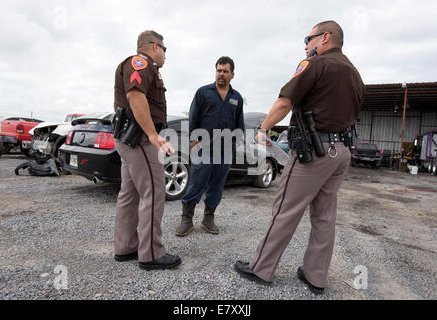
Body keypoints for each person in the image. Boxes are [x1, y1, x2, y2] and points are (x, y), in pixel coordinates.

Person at [234, 21, 365, 294]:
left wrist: (262, 128)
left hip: (314, 153)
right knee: (325, 216)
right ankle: (315, 277)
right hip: (341, 153)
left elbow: (285, 101)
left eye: (309, 39)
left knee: (285, 210)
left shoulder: (315, 65)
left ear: (325, 38)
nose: (306, 45)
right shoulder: (355, 73)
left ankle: (261, 268)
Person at [113, 30, 181, 270]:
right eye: (165, 49)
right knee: (153, 190)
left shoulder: (144, 66)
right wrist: (153, 135)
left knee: (129, 194)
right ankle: (151, 253)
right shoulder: (140, 63)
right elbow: (135, 96)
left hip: (129, 139)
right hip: (139, 139)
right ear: (154, 46)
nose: (165, 54)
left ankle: (126, 246)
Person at [175, 56, 245, 237]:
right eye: (219, 70)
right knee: (196, 182)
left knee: (217, 185)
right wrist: (192, 140)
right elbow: (194, 117)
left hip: (225, 150)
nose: (221, 74)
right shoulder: (203, 92)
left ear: (232, 74)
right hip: (203, 147)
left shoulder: (236, 97)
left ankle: (208, 218)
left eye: (225, 71)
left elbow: (239, 122)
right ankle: (186, 219)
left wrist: (237, 141)